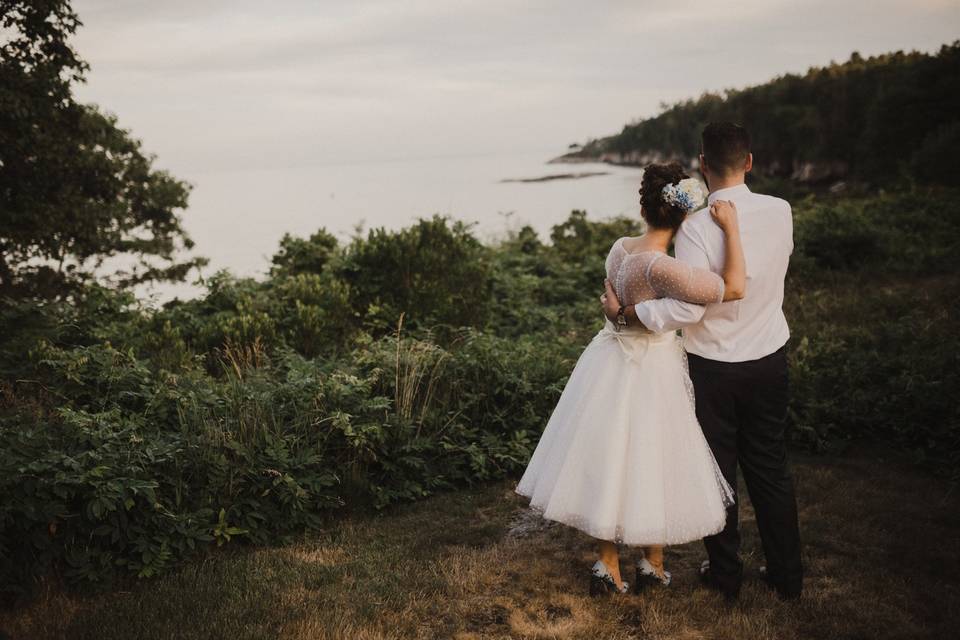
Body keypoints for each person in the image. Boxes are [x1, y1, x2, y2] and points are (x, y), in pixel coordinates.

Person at [515, 161, 745, 595]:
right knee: (651, 458)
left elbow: (611, 289)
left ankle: (606, 563)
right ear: (683, 215)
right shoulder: (662, 267)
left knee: (609, 457)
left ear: (645, 207)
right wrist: (730, 231)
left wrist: (620, 313)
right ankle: (652, 563)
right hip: (650, 369)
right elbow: (727, 289)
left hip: (607, 362)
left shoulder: (620, 248)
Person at [602, 122, 803, 601]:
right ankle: (787, 576)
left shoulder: (694, 226)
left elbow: (686, 307)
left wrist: (633, 313)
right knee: (770, 468)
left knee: (718, 469)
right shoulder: (781, 210)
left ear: (703, 165)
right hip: (769, 357)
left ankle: (726, 574)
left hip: (713, 366)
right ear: (749, 161)